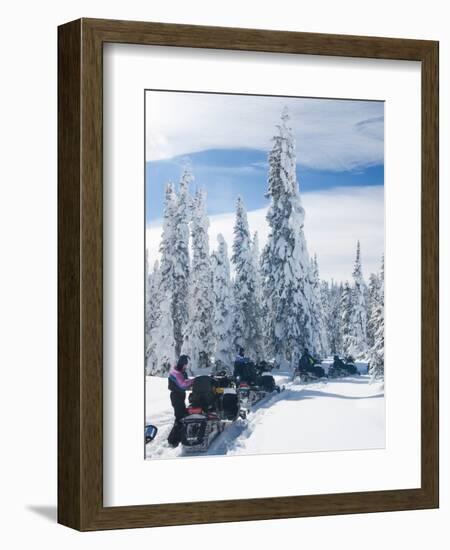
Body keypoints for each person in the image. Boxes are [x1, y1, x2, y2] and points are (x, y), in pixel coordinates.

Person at [167, 355, 194, 447]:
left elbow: (185, 382)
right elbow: (183, 384)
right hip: (176, 397)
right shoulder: (176, 373)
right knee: (179, 417)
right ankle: (173, 440)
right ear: (183, 363)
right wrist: (194, 380)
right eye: (186, 364)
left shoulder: (181, 372)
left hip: (179, 396)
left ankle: (178, 437)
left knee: (182, 415)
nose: (186, 366)